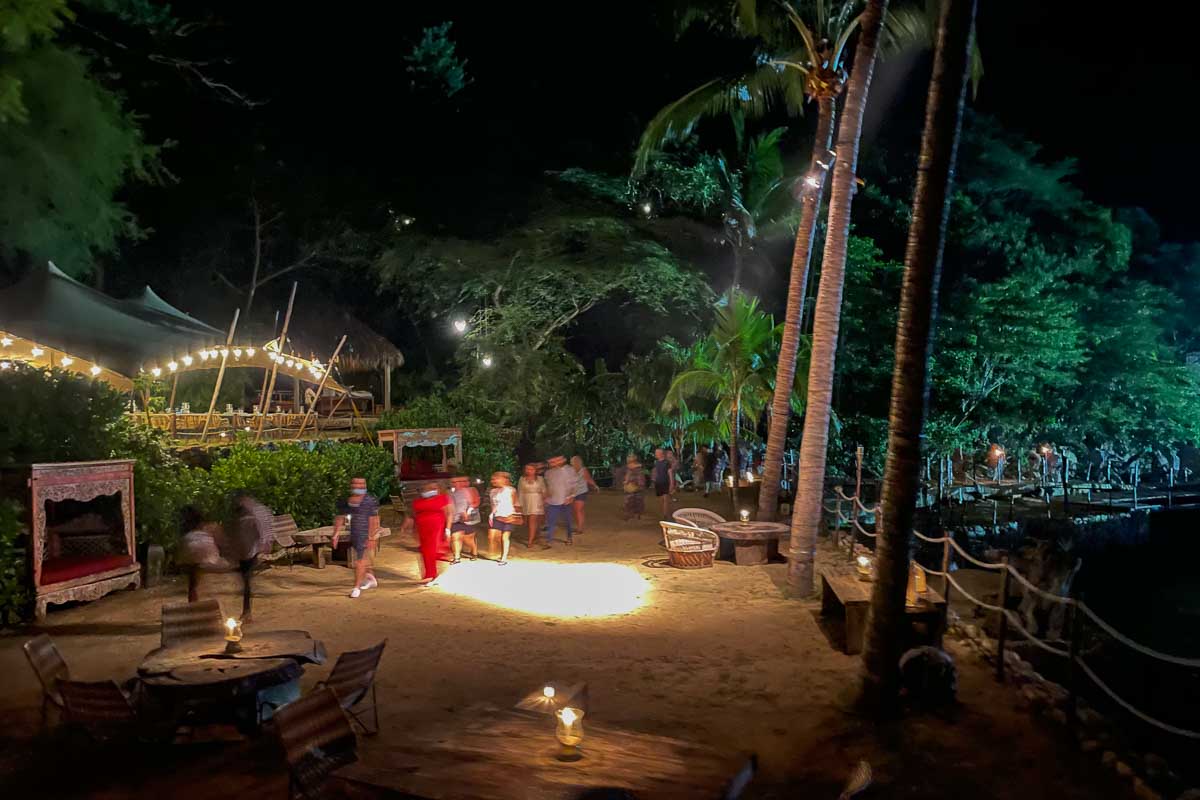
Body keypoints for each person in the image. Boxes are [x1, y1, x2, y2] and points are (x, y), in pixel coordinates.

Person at [332, 477, 382, 598]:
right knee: (364, 558)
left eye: (362, 484)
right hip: (355, 533)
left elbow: (374, 519)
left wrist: (371, 537)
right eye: (356, 484)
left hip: (366, 533)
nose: (359, 486)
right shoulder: (346, 500)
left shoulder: (369, 501)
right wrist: (336, 533)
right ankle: (370, 577)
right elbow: (340, 516)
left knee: (360, 560)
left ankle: (356, 587)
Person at [227, 492, 274, 620]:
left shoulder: (250, 519)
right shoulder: (245, 520)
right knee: (246, 581)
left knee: (246, 581)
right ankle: (246, 611)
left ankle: (246, 611)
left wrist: (264, 543)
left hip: (249, 552)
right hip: (245, 552)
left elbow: (261, 532)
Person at [177, 505, 230, 603]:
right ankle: (195, 597)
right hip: (206, 552)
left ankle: (194, 599)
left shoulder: (187, 530)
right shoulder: (208, 526)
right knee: (195, 578)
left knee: (193, 579)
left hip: (191, 551)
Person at [411, 480, 452, 585]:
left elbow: (449, 514)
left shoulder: (442, 499)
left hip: (436, 527)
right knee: (425, 550)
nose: (431, 490)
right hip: (422, 528)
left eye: (434, 488)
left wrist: (447, 529)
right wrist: (414, 529)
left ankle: (431, 575)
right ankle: (429, 574)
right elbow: (414, 515)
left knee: (431, 550)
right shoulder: (418, 501)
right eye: (429, 488)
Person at [543, 455, 576, 545]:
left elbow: (573, 485)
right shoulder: (548, 472)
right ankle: (549, 540)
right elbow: (548, 485)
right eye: (551, 462)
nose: (552, 463)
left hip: (566, 500)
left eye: (555, 461)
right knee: (551, 520)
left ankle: (569, 537)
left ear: (562, 460)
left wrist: (571, 496)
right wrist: (546, 497)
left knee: (568, 520)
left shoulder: (569, 470)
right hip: (553, 500)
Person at [448, 474, 481, 563]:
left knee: (468, 539)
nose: (455, 484)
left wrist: (468, 511)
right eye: (453, 482)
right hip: (455, 519)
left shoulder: (471, 490)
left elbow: (476, 502)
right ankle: (457, 557)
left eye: (458, 481)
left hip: (468, 519)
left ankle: (474, 550)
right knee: (455, 537)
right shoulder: (451, 492)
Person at [488, 472, 519, 565]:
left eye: (496, 478)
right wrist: (491, 514)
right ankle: (506, 550)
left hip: (508, 515)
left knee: (505, 537)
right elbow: (493, 504)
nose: (493, 481)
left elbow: (516, 503)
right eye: (492, 479)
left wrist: (516, 516)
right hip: (497, 516)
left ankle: (503, 557)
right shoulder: (492, 491)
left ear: (504, 479)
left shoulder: (511, 490)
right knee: (492, 536)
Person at [518, 462, 547, 549]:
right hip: (526, 501)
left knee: (532, 520)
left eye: (531, 469)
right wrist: (520, 505)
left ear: (535, 470)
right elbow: (520, 492)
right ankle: (535, 535)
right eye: (527, 469)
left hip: (537, 501)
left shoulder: (540, 479)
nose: (529, 471)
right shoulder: (522, 479)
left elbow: (544, 490)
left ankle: (530, 541)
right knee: (527, 521)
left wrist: (544, 502)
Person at [570, 455, 600, 535]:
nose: (574, 463)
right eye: (573, 461)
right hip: (573, 492)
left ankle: (580, 529)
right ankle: (579, 526)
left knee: (578, 510)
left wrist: (595, 485)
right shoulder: (571, 470)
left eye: (575, 461)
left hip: (581, 492)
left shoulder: (583, 470)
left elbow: (588, 479)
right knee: (576, 510)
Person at [652, 447, 675, 519]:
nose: (655, 454)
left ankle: (665, 515)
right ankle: (664, 513)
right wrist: (654, 479)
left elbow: (670, 473)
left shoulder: (666, 463)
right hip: (658, 482)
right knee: (661, 499)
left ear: (661, 454)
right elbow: (656, 472)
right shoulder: (657, 462)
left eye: (657, 453)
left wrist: (671, 483)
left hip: (665, 482)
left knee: (665, 499)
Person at [622, 455, 646, 520]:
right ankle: (632, 515)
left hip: (636, 488)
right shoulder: (630, 469)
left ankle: (635, 515)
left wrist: (632, 482)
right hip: (632, 488)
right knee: (631, 502)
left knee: (636, 502)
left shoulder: (638, 470)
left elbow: (640, 480)